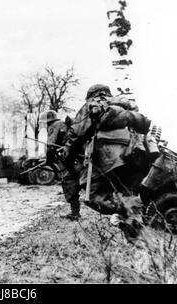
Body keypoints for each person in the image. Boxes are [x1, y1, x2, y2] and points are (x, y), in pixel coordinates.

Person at [65, 84, 152, 241]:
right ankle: (134, 241)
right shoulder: (123, 104)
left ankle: (130, 210)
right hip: (135, 155)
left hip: (109, 158)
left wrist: (68, 160)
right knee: (127, 194)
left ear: (91, 95)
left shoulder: (93, 104)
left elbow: (76, 135)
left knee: (92, 196)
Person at [41, 110, 82, 221]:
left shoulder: (54, 126)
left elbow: (50, 145)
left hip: (70, 158)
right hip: (78, 157)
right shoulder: (64, 124)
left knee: (68, 182)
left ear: (47, 121)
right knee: (72, 181)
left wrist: (49, 161)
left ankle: (75, 213)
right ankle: (75, 212)